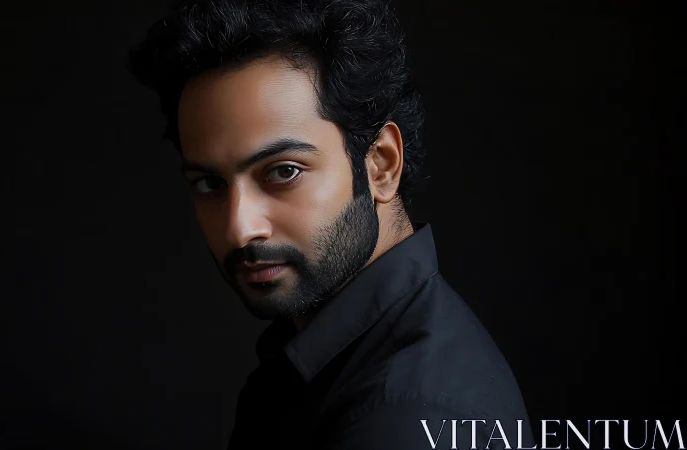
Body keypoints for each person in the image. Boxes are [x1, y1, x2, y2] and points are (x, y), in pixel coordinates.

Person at [128, 0, 534, 448]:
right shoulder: (331, 364)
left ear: (381, 165)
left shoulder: (406, 417)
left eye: (284, 171)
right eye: (210, 183)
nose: (240, 229)